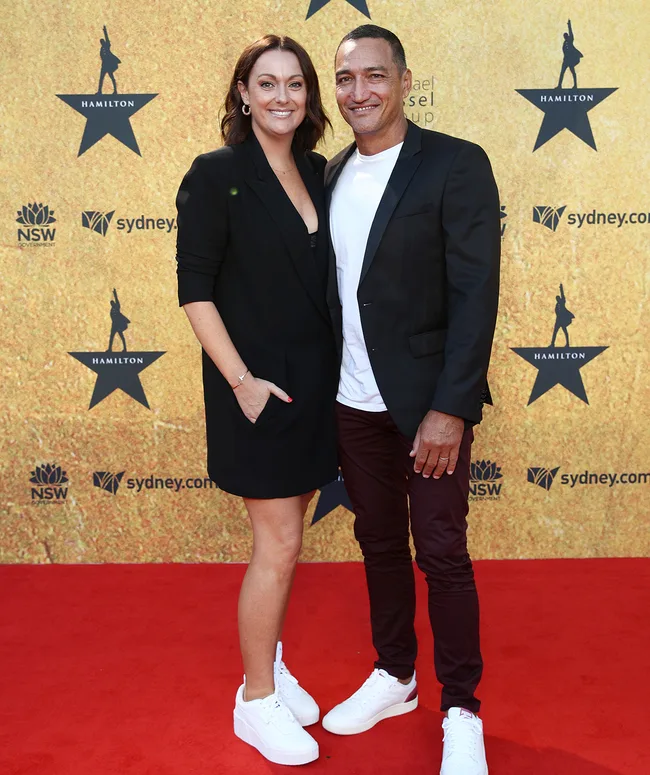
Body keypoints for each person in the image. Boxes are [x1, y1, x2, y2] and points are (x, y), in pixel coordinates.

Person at [321, 25, 500, 775]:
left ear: (403, 80)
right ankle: (395, 674)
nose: (358, 91)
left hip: (428, 406)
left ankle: (461, 706)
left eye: (374, 75)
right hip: (351, 402)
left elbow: (475, 290)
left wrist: (449, 407)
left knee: (443, 552)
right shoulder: (329, 171)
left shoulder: (455, 164)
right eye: (345, 78)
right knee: (378, 541)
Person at [175, 35, 338, 766]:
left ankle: (270, 663)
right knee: (277, 543)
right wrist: (241, 381)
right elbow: (195, 291)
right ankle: (256, 699)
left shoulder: (316, 170)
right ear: (242, 93)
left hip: (315, 385)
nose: (282, 96)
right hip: (256, 390)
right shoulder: (215, 175)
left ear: (309, 96)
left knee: (289, 536)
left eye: (295, 84)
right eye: (266, 84)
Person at [557, 19, 583, 89]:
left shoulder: (570, 40)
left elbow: (571, 32)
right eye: (564, 36)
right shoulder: (564, 43)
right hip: (566, 60)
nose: (565, 36)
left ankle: (575, 85)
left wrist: (569, 25)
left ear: (567, 36)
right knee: (562, 73)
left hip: (570, 60)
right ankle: (559, 86)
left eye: (566, 35)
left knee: (573, 73)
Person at [97, 25, 121, 95]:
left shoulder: (107, 45)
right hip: (104, 65)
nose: (102, 42)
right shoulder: (101, 49)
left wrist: (105, 31)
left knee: (112, 77)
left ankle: (115, 91)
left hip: (109, 65)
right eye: (101, 42)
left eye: (103, 41)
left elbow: (107, 38)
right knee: (101, 79)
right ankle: (99, 91)